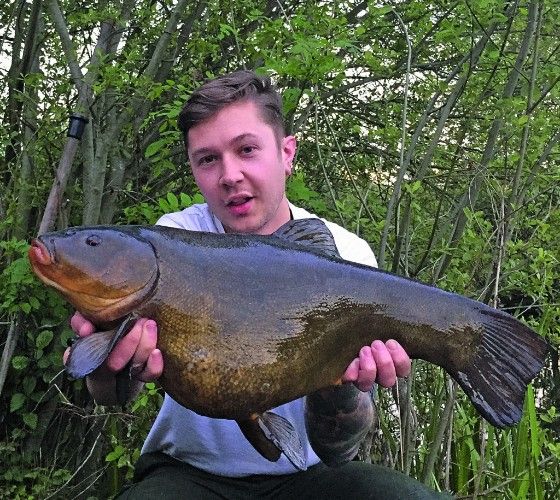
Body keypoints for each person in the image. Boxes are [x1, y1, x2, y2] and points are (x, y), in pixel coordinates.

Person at [67, 70, 450, 499]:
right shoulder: (174, 241)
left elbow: (339, 448)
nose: (229, 175)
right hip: (190, 474)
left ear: (287, 153)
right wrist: (111, 363)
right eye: (208, 159)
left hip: (310, 477)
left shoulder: (348, 255)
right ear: (193, 168)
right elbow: (113, 396)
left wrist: (344, 390)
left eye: (246, 149)